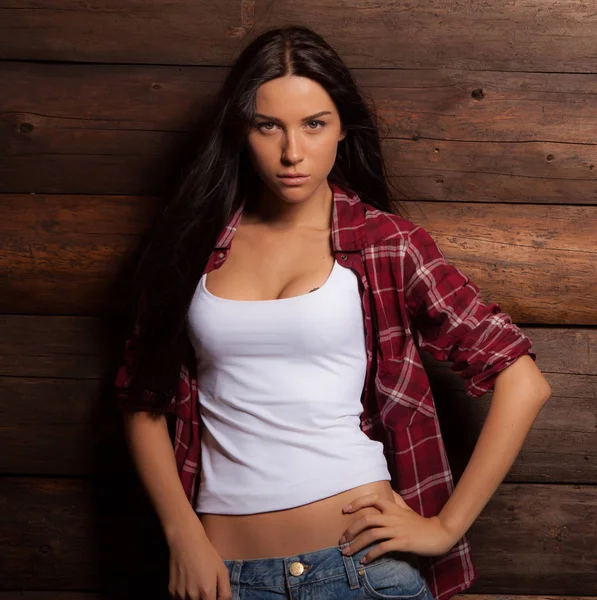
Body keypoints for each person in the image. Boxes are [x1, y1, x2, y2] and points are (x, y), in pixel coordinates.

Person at [114, 24, 552, 600]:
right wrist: (182, 534)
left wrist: (444, 527)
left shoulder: (388, 245)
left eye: (313, 124)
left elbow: (523, 382)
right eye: (268, 125)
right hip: (224, 576)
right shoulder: (189, 248)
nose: (292, 152)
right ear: (241, 130)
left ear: (343, 128)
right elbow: (140, 397)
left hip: (360, 572)